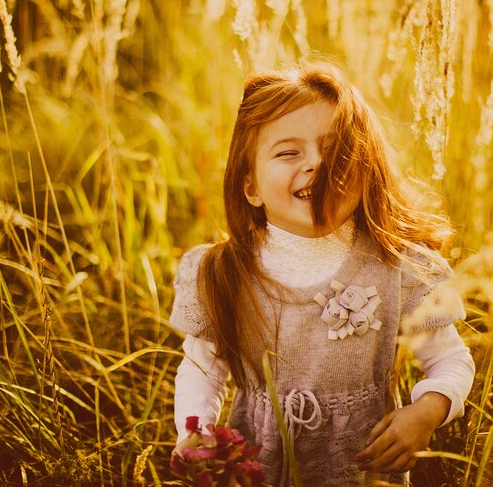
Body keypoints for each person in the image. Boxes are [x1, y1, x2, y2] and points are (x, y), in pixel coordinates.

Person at [169, 61, 475, 486]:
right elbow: (202, 368)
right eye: (288, 152)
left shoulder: (399, 269)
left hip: (362, 468)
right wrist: (195, 432)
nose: (316, 163)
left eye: (335, 149)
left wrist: (427, 410)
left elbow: (450, 360)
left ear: (365, 167)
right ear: (251, 186)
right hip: (255, 467)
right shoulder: (222, 273)